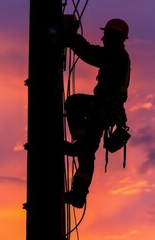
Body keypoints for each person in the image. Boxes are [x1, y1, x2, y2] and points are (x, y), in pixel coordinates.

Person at [62, 18, 131, 208]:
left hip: (104, 107)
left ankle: (78, 143)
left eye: (106, 34)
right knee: (87, 152)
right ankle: (78, 194)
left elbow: (91, 54)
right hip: (107, 110)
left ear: (114, 37)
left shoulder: (116, 55)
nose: (103, 38)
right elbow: (93, 53)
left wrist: (70, 38)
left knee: (74, 102)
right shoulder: (119, 55)